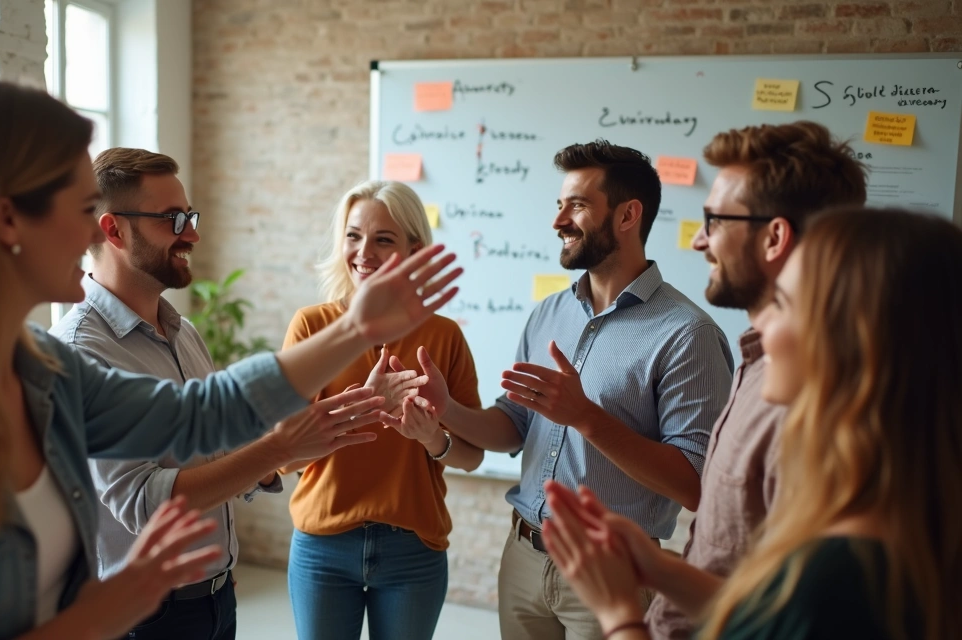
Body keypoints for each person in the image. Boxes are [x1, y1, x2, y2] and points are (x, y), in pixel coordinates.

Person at [0, 73, 462, 640]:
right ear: (4, 219)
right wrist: (110, 610)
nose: (99, 231)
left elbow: (199, 415)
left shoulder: (39, 372)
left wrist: (356, 330)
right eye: (84, 207)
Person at [540, 207, 962, 640]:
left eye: (782, 304)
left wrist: (620, 614)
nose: (760, 328)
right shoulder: (897, 526)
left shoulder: (848, 571)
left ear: (857, 342)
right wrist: (658, 570)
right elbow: (773, 616)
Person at [50, 148, 387, 640]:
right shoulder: (80, 352)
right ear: (113, 230)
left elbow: (217, 454)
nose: (192, 232)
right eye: (173, 219)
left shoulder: (182, 332)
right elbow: (146, 502)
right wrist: (280, 446)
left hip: (215, 599)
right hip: (140, 620)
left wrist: (316, 431)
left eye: (190, 216)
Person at [404, 140, 734, 640]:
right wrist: (448, 408)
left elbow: (694, 484)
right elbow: (513, 427)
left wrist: (586, 417)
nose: (559, 220)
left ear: (628, 216)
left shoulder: (687, 333)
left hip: (614, 573)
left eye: (577, 205)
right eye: (559, 205)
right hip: (522, 559)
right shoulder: (549, 313)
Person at [645, 121, 868, 639]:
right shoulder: (756, 358)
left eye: (715, 221)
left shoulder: (815, 403)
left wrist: (617, 613)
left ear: (774, 237)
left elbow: (793, 615)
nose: (699, 240)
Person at [281, 180, 484, 640]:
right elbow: (284, 457)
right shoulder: (311, 326)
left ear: (414, 248)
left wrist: (433, 438)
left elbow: (472, 456)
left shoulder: (444, 336)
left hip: (412, 550)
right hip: (322, 547)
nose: (363, 252)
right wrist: (365, 408)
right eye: (353, 236)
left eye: (383, 239)